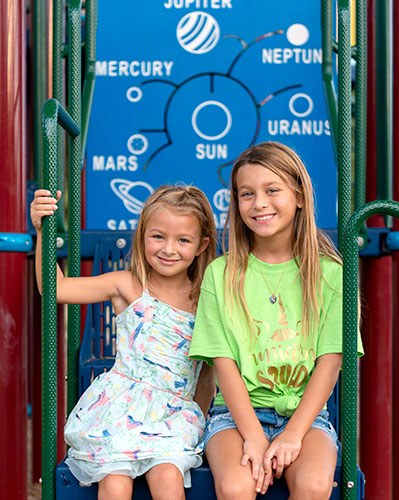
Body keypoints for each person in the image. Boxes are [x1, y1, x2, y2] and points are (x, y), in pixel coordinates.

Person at [189, 142, 363, 500]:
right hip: (234, 416)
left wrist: (293, 434)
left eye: (272, 190)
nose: (259, 203)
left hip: (307, 416)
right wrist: (253, 434)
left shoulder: (331, 275)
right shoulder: (222, 275)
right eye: (246, 194)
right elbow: (224, 365)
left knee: (314, 485)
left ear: (298, 195)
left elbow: (330, 363)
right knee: (237, 487)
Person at [31, 185, 217, 500]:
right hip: (120, 412)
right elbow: (56, 289)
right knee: (115, 483)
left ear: (201, 245)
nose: (169, 249)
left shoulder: (205, 300)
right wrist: (42, 233)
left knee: (168, 479)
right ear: (142, 235)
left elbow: (207, 372)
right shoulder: (128, 284)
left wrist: (195, 417)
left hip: (173, 418)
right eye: (158, 236)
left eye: (182, 240)